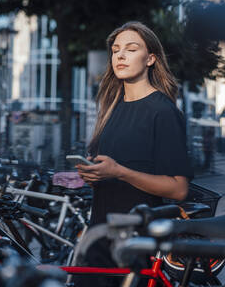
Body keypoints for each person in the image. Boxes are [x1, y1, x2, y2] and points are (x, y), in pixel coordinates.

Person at [74, 21, 193, 286]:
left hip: (137, 244)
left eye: (131, 48)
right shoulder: (111, 108)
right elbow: (111, 169)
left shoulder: (162, 112)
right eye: (116, 50)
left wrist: (119, 172)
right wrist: (94, 174)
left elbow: (178, 189)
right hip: (98, 237)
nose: (120, 55)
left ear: (150, 58)